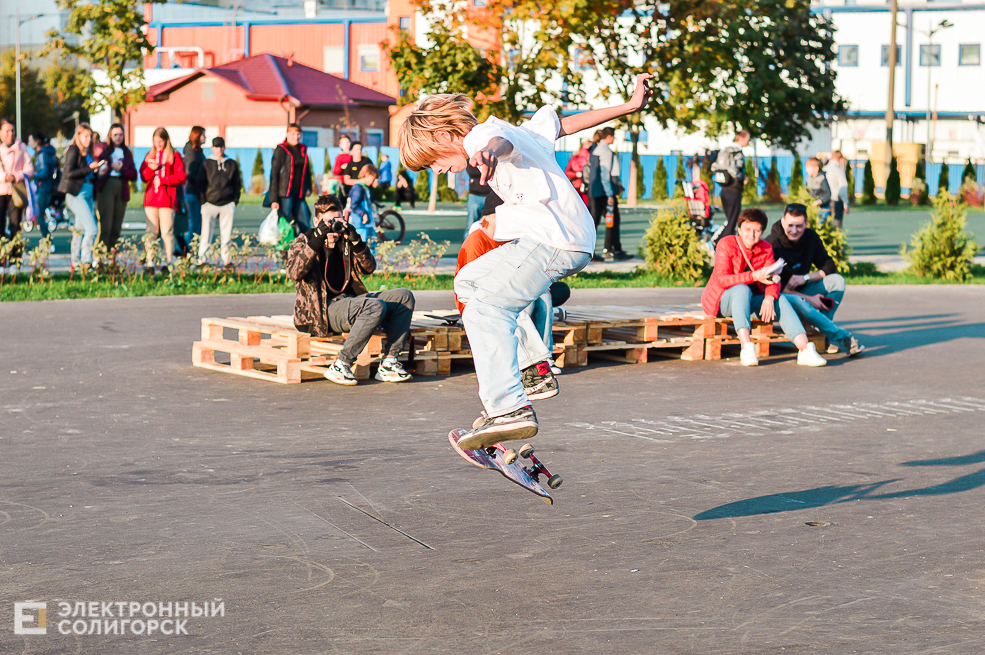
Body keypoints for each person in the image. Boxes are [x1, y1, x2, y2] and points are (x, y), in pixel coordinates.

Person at [398, 73, 653, 448]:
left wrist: (487, 153)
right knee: (469, 282)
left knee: (484, 310)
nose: (435, 171)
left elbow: (496, 145)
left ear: (444, 137)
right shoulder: (516, 129)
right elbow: (564, 125)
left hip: (554, 239)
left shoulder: (483, 139)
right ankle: (533, 368)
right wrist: (629, 107)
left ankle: (508, 407)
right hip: (563, 236)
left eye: (431, 162)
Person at [286, 194, 415, 385]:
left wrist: (356, 240)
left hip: (350, 302)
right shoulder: (304, 240)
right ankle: (341, 364)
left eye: (336, 220)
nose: (332, 228)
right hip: (320, 312)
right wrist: (318, 239)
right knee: (374, 306)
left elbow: (369, 268)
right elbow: (294, 272)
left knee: (404, 296)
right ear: (316, 221)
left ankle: (389, 362)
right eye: (327, 222)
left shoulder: (345, 240)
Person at [702, 208, 827, 367]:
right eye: (747, 229)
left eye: (757, 230)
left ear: (762, 232)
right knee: (742, 289)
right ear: (739, 229)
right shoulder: (726, 244)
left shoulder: (766, 248)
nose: (751, 235)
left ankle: (805, 350)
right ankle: (746, 347)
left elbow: (774, 279)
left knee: (779, 298)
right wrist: (753, 276)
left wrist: (769, 298)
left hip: (750, 300)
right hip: (722, 301)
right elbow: (721, 280)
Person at [765, 203, 865, 356]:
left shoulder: (810, 237)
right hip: (782, 295)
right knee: (802, 303)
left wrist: (805, 278)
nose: (794, 230)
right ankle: (840, 337)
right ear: (783, 221)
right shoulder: (773, 243)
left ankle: (822, 335)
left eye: (799, 226)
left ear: (806, 223)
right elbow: (776, 285)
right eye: (790, 225)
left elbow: (830, 265)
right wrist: (810, 299)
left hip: (802, 290)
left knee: (837, 281)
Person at [140, 127, 186, 275]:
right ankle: (150, 262)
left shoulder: (174, 155)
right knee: (151, 232)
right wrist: (151, 169)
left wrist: (165, 180)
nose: (158, 144)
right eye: (156, 141)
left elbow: (181, 176)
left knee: (167, 232)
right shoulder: (150, 155)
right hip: (151, 199)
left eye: (161, 141)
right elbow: (143, 176)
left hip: (167, 199)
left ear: (166, 141)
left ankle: (168, 261)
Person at [58, 123, 101, 270]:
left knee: (79, 229)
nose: (89, 139)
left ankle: (75, 261)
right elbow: (69, 173)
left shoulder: (86, 152)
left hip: (87, 192)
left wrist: (95, 170)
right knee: (92, 229)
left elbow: (85, 171)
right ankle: (85, 261)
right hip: (77, 193)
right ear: (78, 136)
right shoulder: (73, 150)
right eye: (85, 136)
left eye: (90, 136)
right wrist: (89, 168)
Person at [196, 136, 242, 267]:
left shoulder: (231, 164)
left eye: (221, 146)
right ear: (212, 148)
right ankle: (203, 259)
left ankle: (226, 260)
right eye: (216, 147)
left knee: (226, 234)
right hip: (209, 203)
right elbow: (200, 183)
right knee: (206, 234)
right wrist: (203, 202)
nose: (219, 149)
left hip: (227, 203)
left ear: (224, 147)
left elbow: (237, 183)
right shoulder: (207, 163)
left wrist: (234, 201)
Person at [587, 127, 632, 261]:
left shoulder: (594, 150)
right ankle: (613, 250)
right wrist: (610, 195)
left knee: (594, 223)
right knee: (613, 221)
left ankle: (592, 253)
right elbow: (605, 174)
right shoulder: (606, 152)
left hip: (594, 192)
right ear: (610, 137)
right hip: (604, 193)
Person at [95, 123, 138, 252]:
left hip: (121, 187)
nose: (118, 138)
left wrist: (121, 169)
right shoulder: (104, 151)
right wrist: (107, 167)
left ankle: (112, 255)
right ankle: (100, 255)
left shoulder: (126, 152)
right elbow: (98, 170)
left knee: (116, 225)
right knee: (105, 224)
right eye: (115, 135)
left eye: (120, 135)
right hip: (107, 185)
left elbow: (133, 175)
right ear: (110, 136)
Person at [269, 123, 314, 236]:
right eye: (293, 134)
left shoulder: (303, 149)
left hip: (299, 193)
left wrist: (308, 187)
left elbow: (307, 172)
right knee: (285, 225)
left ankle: (305, 250)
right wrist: (274, 199)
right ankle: (285, 250)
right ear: (287, 134)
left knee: (305, 224)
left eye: (298, 134)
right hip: (285, 193)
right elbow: (274, 174)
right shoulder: (281, 149)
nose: (296, 136)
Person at [0, 119, 34, 262]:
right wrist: (4, 177)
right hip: (1, 191)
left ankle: (15, 260)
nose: (10, 134)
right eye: (7, 131)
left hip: (16, 193)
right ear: (1, 132)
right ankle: (1, 259)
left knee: (15, 226)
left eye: (12, 130)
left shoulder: (22, 147)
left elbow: (30, 169)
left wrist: (16, 176)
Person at [713, 130, 750, 241]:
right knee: (733, 221)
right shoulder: (738, 152)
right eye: (747, 139)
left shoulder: (725, 150)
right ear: (742, 138)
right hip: (734, 189)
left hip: (724, 189)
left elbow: (714, 166)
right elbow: (733, 169)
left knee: (730, 220)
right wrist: (743, 177)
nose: (748, 142)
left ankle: (718, 241)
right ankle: (722, 243)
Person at [28, 131, 58, 246]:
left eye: (30, 140)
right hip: (45, 187)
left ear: (37, 141)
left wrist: (33, 175)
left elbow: (45, 172)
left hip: (45, 188)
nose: (29, 143)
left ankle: (48, 242)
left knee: (39, 217)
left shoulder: (43, 155)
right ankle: (47, 241)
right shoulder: (45, 153)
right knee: (39, 216)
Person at [182, 126, 207, 246]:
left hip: (197, 193)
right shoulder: (192, 153)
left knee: (198, 226)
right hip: (193, 193)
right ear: (197, 136)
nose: (205, 137)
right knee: (195, 226)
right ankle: (181, 250)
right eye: (203, 135)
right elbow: (189, 173)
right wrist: (201, 184)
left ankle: (189, 251)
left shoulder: (198, 152)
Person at [347, 163, 379, 253]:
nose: (373, 181)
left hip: (368, 223)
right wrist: (364, 214)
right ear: (367, 174)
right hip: (361, 224)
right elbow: (354, 205)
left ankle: (371, 263)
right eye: (373, 179)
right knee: (362, 248)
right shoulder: (358, 188)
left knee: (372, 245)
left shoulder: (365, 188)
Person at [823, 152, 849, 229]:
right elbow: (843, 188)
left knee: (825, 226)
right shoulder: (839, 171)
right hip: (836, 201)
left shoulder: (824, 169)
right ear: (841, 159)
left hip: (825, 201)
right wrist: (846, 203)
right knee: (837, 227)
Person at [465, 163, 491, 238]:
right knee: (470, 226)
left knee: (491, 226)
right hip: (475, 195)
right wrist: (487, 169)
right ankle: (467, 248)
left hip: (492, 196)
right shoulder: (472, 155)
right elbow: (471, 171)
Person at [564, 139, 593, 207]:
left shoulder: (592, 159)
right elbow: (567, 172)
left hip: (587, 188)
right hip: (576, 186)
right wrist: (577, 174)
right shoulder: (574, 158)